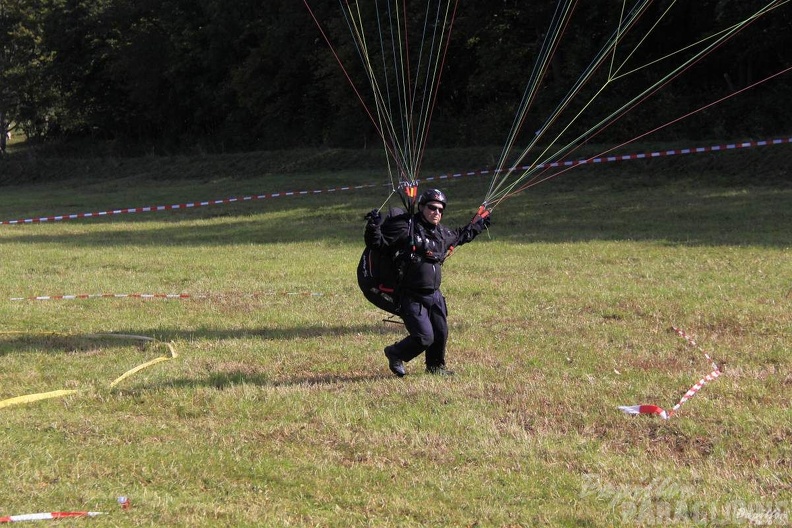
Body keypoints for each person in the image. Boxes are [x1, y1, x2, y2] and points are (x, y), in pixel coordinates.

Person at [364, 188, 490, 377]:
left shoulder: (442, 233)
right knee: (424, 338)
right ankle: (395, 353)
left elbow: (463, 235)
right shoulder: (406, 228)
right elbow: (378, 244)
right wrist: (373, 226)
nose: (436, 213)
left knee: (440, 333)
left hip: (434, 294)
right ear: (421, 207)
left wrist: (480, 223)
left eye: (440, 210)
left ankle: (435, 367)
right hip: (410, 294)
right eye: (432, 208)